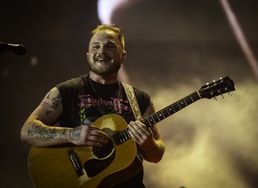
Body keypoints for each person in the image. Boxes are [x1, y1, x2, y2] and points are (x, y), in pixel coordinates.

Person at [20, 24, 165, 188]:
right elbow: (27, 130)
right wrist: (71, 134)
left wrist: (149, 144)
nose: (102, 51)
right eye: (96, 46)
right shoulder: (66, 91)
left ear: (123, 56)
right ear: (88, 56)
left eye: (110, 46)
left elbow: (156, 155)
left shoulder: (140, 99)